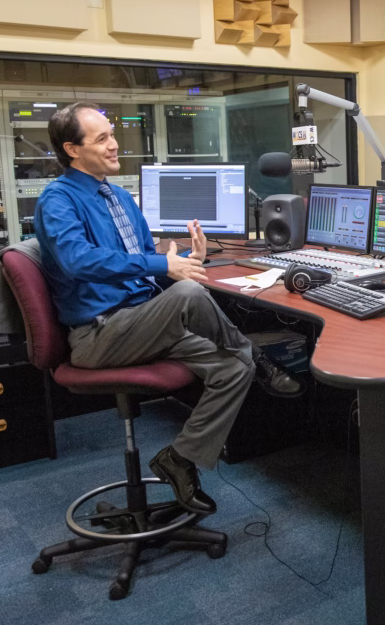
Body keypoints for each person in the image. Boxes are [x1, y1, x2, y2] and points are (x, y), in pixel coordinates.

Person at [34, 102, 299, 517]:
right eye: (101, 138)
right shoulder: (58, 199)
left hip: (140, 323)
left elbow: (144, 260)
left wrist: (187, 261)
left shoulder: (119, 197)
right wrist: (166, 268)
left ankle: (180, 458)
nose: (114, 144)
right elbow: (77, 260)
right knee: (190, 294)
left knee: (233, 368)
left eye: (112, 134)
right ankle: (256, 352)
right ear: (72, 149)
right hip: (98, 335)